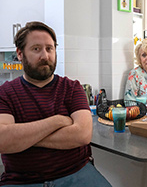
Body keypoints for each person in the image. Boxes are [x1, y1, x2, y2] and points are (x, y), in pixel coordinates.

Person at [0, 21, 111, 187]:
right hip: (23, 181)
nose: (45, 56)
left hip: (77, 173)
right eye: (36, 49)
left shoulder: (72, 88)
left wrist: (23, 137)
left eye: (49, 48)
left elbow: (82, 135)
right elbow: (3, 140)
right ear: (20, 53)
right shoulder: (6, 92)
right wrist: (58, 121)